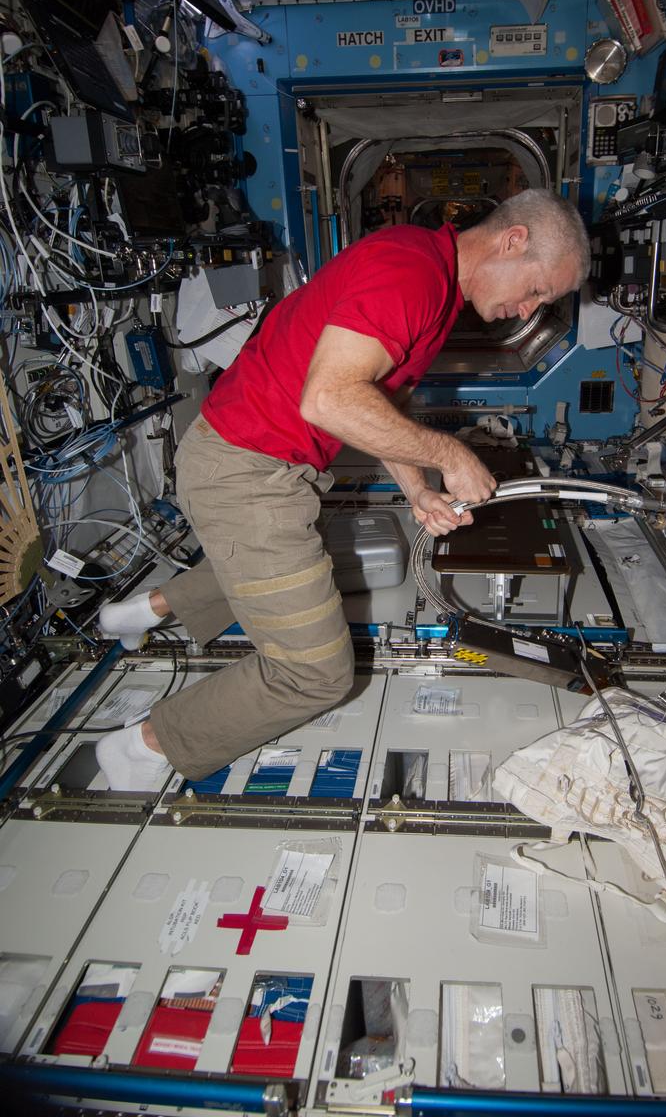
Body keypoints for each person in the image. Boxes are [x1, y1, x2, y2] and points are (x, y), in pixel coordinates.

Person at [95, 188, 590, 790]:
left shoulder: (432, 287)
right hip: (246, 475)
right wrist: (450, 453)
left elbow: (374, 407)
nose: (528, 308)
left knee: (307, 563)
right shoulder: (410, 273)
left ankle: (145, 611)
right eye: (538, 288)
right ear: (514, 241)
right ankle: (141, 747)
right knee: (316, 676)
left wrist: (417, 490)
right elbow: (329, 398)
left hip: (258, 464)